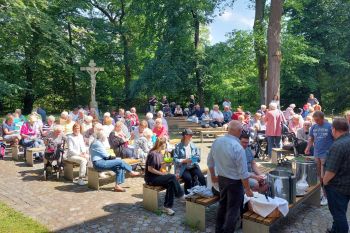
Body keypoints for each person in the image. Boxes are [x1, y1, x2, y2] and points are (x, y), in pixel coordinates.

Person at [207, 120, 253, 232]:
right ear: (239, 131)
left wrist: (213, 176)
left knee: (222, 206)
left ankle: (218, 230)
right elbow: (243, 172)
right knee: (233, 210)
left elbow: (210, 161)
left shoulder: (217, 141)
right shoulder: (237, 147)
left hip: (222, 179)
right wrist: (247, 189)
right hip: (234, 183)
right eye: (241, 130)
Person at [144, 137, 185, 216]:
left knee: (171, 183)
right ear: (161, 144)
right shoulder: (153, 154)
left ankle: (167, 207)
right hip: (151, 179)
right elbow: (150, 169)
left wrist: (167, 166)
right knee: (172, 177)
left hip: (157, 176)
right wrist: (162, 174)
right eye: (165, 144)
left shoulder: (159, 153)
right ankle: (180, 195)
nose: (166, 145)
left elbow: (160, 167)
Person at [323, 118, 350, 233]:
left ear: (333, 129)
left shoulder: (338, 145)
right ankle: (335, 230)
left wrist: (324, 182)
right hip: (346, 185)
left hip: (337, 187)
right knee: (340, 210)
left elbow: (331, 171)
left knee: (338, 214)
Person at [305, 111, 333, 206]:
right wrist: (308, 148)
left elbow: (336, 139)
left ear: (322, 118)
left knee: (324, 175)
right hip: (316, 154)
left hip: (326, 155)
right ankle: (321, 192)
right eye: (315, 120)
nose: (316, 122)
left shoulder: (330, 126)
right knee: (318, 176)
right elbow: (311, 139)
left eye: (317, 120)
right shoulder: (314, 126)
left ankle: (326, 195)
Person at [173, 129, 206, 194]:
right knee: (188, 179)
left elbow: (198, 158)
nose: (192, 136)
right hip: (183, 168)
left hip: (193, 166)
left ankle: (204, 192)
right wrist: (184, 161)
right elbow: (175, 159)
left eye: (192, 135)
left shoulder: (193, 145)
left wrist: (193, 159)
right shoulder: (178, 146)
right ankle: (188, 195)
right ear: (185, 136)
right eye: (190, 135)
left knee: (201, 177)